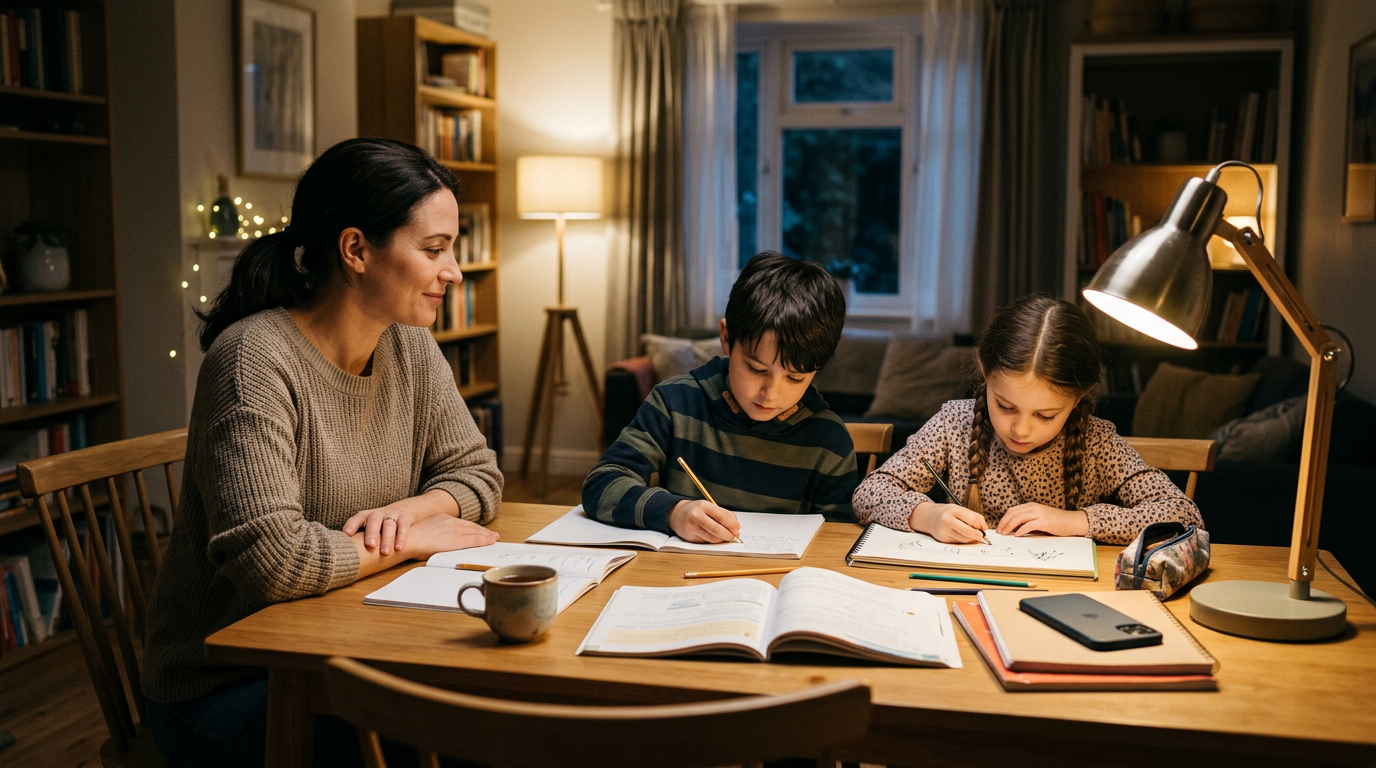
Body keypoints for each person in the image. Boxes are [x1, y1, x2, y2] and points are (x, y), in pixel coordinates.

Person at [141, 137, 503, 768]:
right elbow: (274, 563)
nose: (453, 272)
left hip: (348, 643)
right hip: (229, 685)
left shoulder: (408, 345)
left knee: (488, 713)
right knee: (465, 739)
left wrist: (414, 510)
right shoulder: (253, 360)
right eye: (433, 250)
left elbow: (479, 473)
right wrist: (412, 541)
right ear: (356, 249)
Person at [853, 294, 1202, 545]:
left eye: (1045, 415)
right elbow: (869, 491)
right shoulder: (953, 424)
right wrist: (925, 516)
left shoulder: (1098, 443)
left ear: (1077, 399)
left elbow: (1184, 517)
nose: (1020, 429)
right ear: (984, 373)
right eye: (1005, 406)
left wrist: (1078, 521)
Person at [583, 252, 858, 543]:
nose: (771, 393)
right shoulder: (675, 404)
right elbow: (601, 483)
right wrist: (673, 511)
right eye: (756, 369)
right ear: (726, 338)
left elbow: (834, 543)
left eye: (794, 378)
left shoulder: (828, 442)